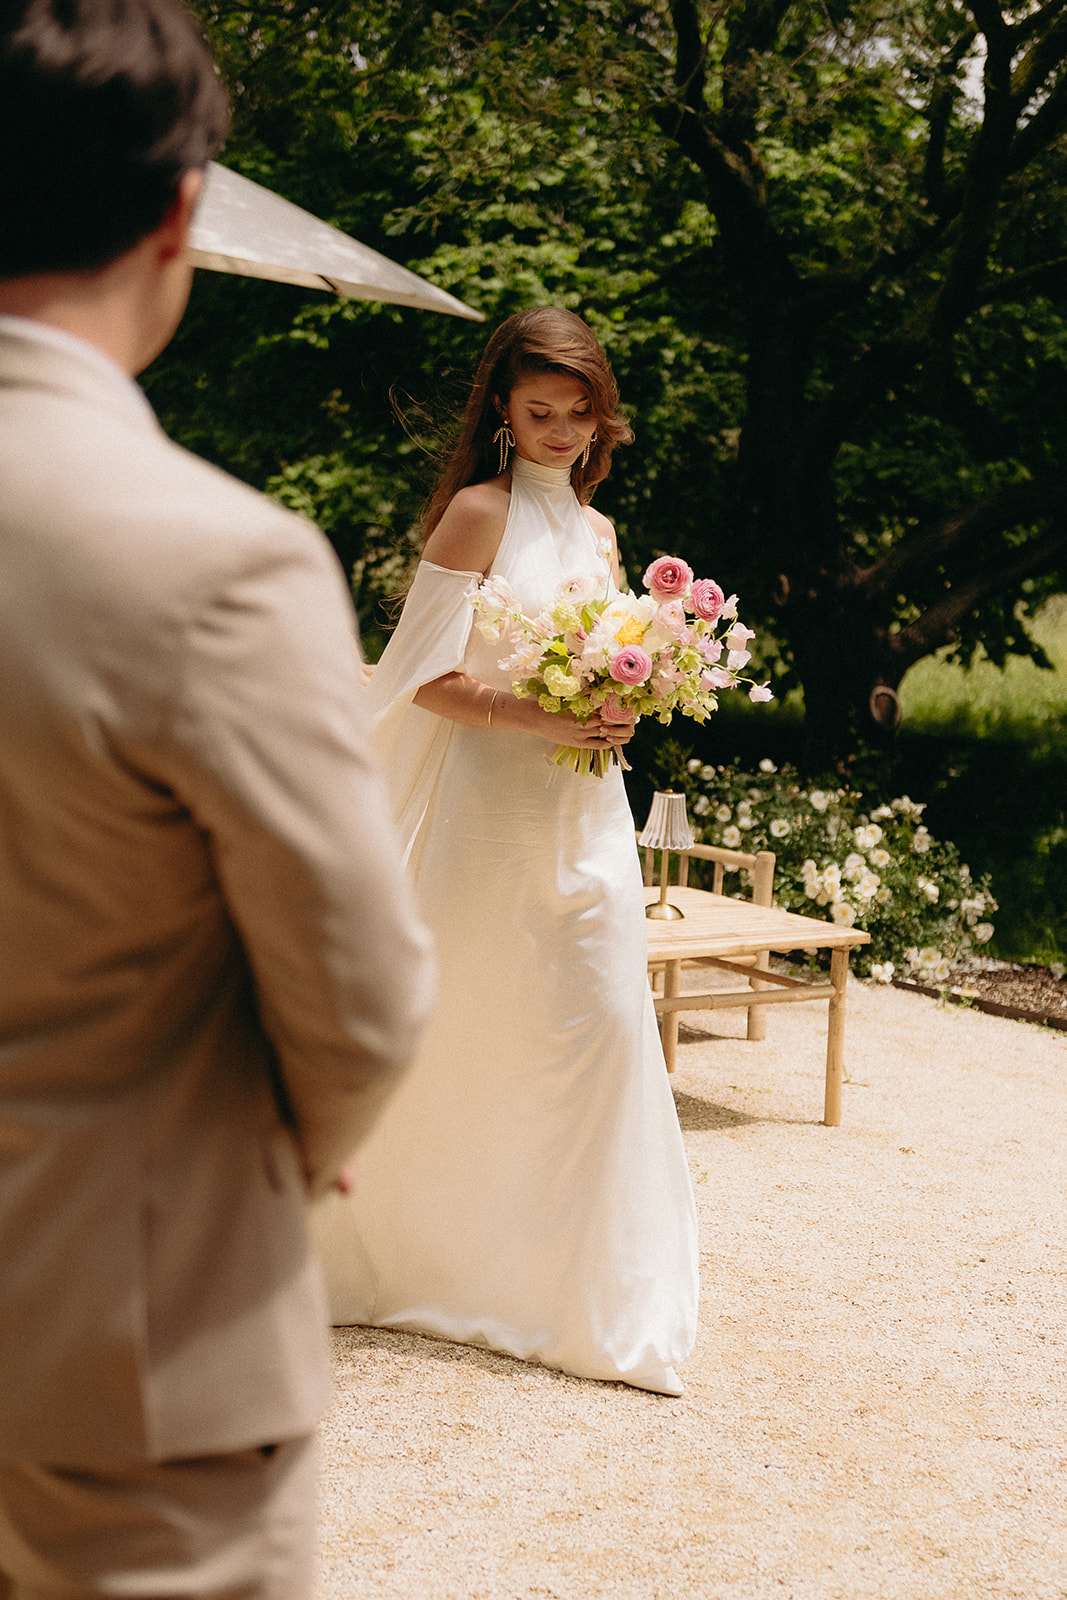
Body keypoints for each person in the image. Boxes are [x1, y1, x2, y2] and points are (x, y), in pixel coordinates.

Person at [0, 2, 433, 1595]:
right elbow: (361, 993)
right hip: (120, 1337)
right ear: (182, 211)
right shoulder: (215, 561)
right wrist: (274, 1141)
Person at [313, 307, 699, 1396]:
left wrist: (633, 696)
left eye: (579, 413)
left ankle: (582, 1296)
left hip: (585, 813)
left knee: (598, 1015)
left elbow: (613, 657)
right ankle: (442, 1263)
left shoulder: (601, 533)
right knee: (480, 1022)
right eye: (540, 412)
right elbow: (419, 681)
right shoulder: (475, 517)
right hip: (492, 813)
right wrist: (541, 717)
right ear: (500, 408)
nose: (562, 431)